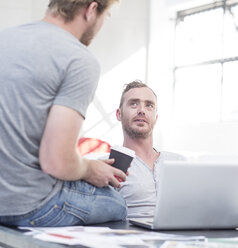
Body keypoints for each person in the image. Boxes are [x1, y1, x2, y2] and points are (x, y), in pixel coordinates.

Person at [0, 0, 127, 227]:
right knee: (117, 203)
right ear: (91, 10)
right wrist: (90, 168)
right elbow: (56, 162)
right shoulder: (79, 59)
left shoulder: (4, 38)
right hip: (28, 206)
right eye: (105, 17)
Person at [115, 80, 185, 218]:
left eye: (149, 105)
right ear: (119, 114)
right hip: (132, 236)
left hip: (179, 236)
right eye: (133, 104)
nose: (141, 110)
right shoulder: (109, 165)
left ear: (156, 117)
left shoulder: (179, 162)